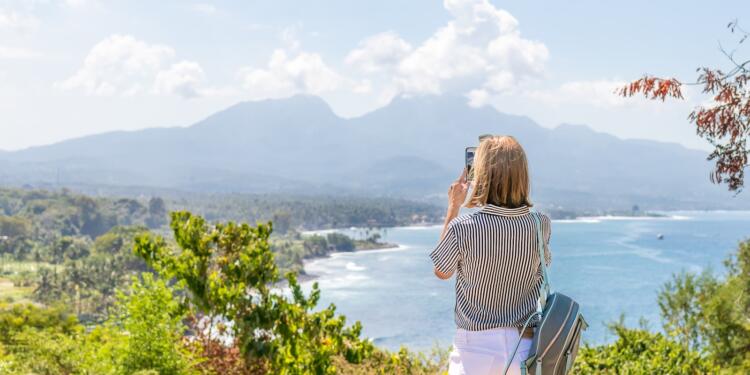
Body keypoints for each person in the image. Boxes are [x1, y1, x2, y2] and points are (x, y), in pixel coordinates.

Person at [430, 135, 551, 375]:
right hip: (524, 347)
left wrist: (454, 206)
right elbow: (541, 268)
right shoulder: (541, 224)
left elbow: (442, 271)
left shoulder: (464, 226)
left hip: (475, 350)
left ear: (482, 175)